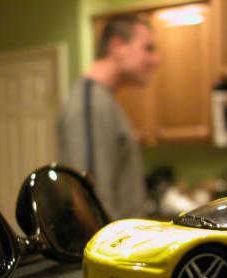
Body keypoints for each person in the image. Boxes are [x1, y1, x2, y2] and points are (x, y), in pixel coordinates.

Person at [57, 14, 160, 219]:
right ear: (118, 46)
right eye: (148, 48)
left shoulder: (100, 100)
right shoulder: (92, 104)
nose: (156, 60)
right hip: (111, 249)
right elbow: (92, 202)